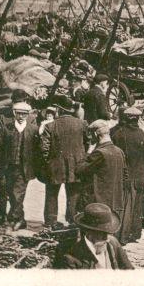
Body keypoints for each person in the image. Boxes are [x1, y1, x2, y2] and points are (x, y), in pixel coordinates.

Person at [0, 101, 41, 230]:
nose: (22, 116)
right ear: (14, 113)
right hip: (6, 167)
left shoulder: (33, 129)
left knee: (18, 194)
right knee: (6, 193)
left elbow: (38, 149)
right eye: (19, 113)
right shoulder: (6, 127)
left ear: (28, 115)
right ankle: (19, 219)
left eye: (24, 114)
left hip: (23, 169)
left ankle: (14, 219)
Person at [40, 96, 87, 228]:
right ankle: (73, 221)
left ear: (59, 110)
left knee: (51, 194)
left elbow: (44, 148)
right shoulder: (82, 124)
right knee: (73, 194)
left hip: (55, 166)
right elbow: (87, 144)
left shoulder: (50, 126)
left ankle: (50, 222)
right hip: (76, 166)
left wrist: (48, 162)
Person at [110, 107, 144, 244]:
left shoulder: (117, 134)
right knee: (136, 207)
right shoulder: (143, 136)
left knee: (123, 207)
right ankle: (133, 234)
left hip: (121, 177)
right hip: (139, 177)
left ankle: (120, 235)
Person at [54, 202, 134, 269]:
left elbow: (129, 270)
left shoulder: (113, 243)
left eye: (107, 233)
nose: (106, 238)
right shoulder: (71, 257)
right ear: (88, 232)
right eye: (100, 233)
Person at [76, 120, 126, 219]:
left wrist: (89, 151)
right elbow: (125, 175)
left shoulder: (99, 153)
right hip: (114, 201)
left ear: (95, 134)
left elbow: (79, 170)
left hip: (98, 202)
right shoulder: (119, 151)